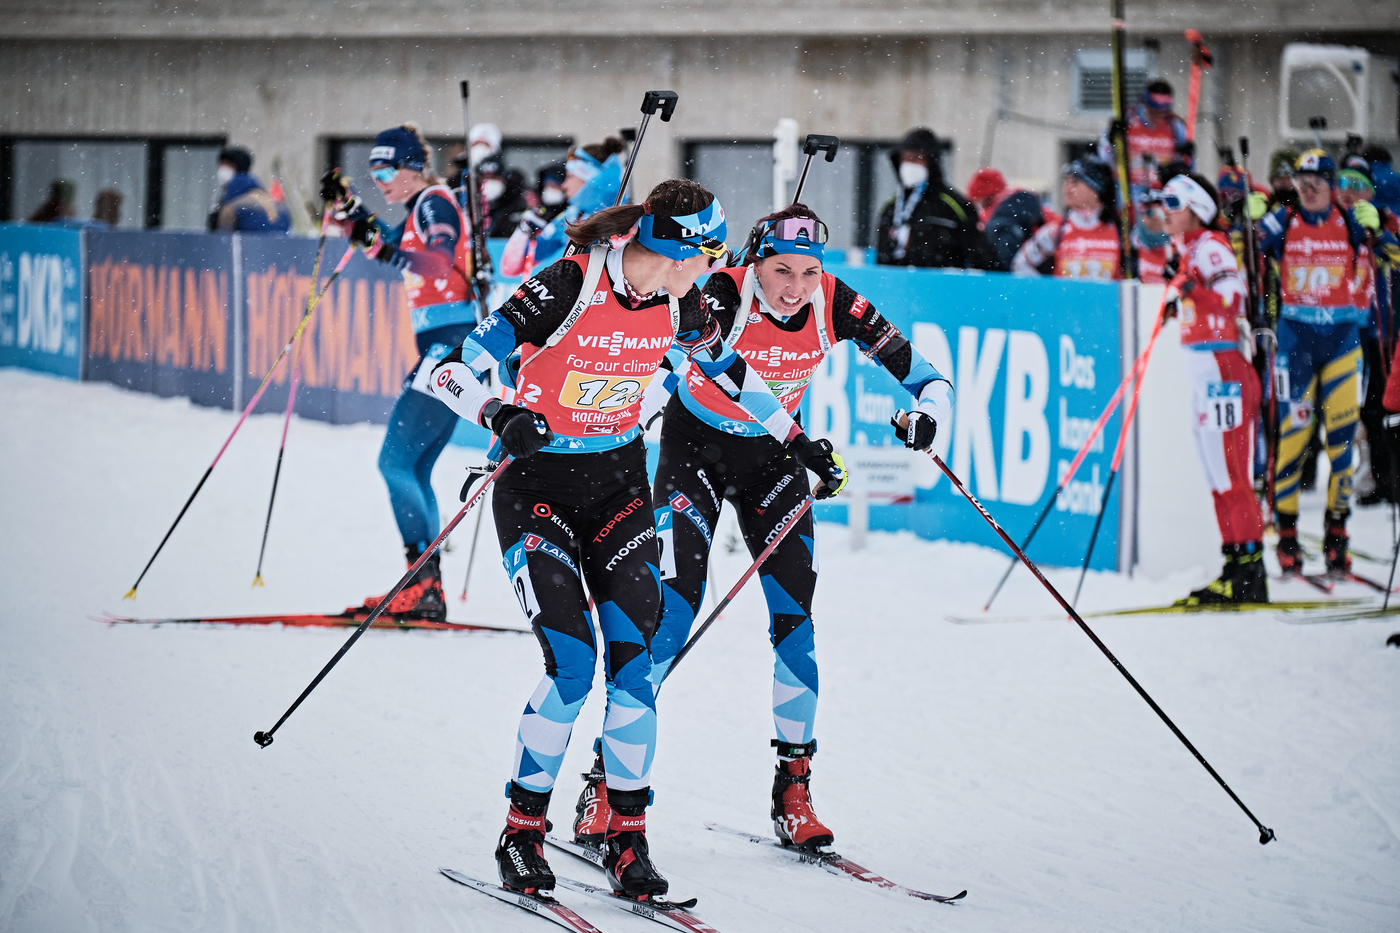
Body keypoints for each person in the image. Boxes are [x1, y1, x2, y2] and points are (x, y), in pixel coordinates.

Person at [426, 179, 846, 900]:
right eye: (708, 252)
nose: (714, 271)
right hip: (538, 495)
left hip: (618, 491)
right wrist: (498, 412)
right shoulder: (567, 283)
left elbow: (727, 371)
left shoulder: (683, 303)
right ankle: (521, 831)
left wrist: (797, 439)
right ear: (675, 249)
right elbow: (447, 368)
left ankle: (627, 837)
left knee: (633, 671)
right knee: (570, 665)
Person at [566, 202, 951, 855]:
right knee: (670, 616)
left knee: (795, 624)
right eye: (780, 270)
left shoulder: (835, 302)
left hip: (775, 462)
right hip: (693, 453)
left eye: (807, 271)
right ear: (753, 262)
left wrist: (927, 416)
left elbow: (925, 377)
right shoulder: (718, 291)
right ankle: (605, 780)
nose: (795, 287)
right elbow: (645, 352)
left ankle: (793, 788)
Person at [320, 123, 477, 623]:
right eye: (373, 171)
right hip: (446, 348)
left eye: (387, 169)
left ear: (412, 166)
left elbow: (435, 262)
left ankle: (422, 585)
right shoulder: (418, 210)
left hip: (447, 349)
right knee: (415, 470)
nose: (380, 179)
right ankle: (426, 588)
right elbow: (387, 246)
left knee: (394, 464)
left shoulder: (433, 202)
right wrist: (349, 214)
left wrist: (383, 246)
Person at [1259, 149, 1399, 575]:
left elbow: (1395, 258)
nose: (1309, 187)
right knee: (1294, 442)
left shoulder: (1353, 222)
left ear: (1332, 184)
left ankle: (1337, 536)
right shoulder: (1283, 221)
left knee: (1340, 447)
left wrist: (1384, 231)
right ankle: (1287, 536)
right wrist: (1243, 218)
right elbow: (1240, 250)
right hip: (1295, 348)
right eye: (1302, 180)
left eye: (1318, 180)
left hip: (1341, 345)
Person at [1157, 174, 1266, 604]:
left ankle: (1249, 570)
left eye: (1174, 202)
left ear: (1197, 209)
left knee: (1232, 474)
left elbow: (1232, 298)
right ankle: (1233, 564)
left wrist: (1190, 291)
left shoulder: (1211, 246)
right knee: (1215, 475)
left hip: (1225, 372)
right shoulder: (1187, 250)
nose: (1165, 209)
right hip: (1206, 374)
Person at [875, 128, 1001, 270]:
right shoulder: (891, 208)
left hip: (943, 289)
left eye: (917, 158)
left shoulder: (955, 205)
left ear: (931, 162)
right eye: (905, 159)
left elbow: (983, 258)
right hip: (899, 289)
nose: (909, 165)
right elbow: (881, 261)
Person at [500, 137, 625, 278]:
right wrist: (523, 231)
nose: (564, 185)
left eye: (570, 177)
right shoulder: (573, 216)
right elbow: (510, 268)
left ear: (593, 180)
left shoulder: (628, 221)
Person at [1011, 159, 1121, 281]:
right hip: (1066, 300)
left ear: (1095, 189)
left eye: (1075, 182)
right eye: (1066, 182)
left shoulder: (1119, 230)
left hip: (1109, 300)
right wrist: (1046, 292)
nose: (1067, 189)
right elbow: (1020, 264)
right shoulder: (1056, 230)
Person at [1098, 79, 1192, 208]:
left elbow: (1185, 164)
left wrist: (1186, 157)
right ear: (1145, 104)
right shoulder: (1127, 119)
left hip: (1159, 193)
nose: (1158, 117)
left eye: (1163, 112)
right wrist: (1111, 140)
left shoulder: (1175, 126)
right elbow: (1103, 156)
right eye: (1154, 111)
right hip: (1126, 190)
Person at [968, 167, 1056, 268]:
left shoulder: (1000, 217)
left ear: (986, 198)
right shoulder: (1027, 203)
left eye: (977, 203)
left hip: (1020, 276)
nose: (979, 209)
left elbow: (1004, 260)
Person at [210, 146, 290, 234]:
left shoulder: (232, 205)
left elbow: (222, 239)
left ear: (237, 166)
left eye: (226, 164)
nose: (221, 169)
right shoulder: (276, 205)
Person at [476, 154, 529, 236]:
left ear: (504, 180)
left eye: (494, 178)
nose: (489, 183)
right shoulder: (472, 206)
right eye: (484, 179)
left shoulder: (516, 206)